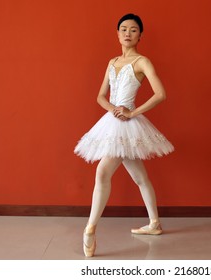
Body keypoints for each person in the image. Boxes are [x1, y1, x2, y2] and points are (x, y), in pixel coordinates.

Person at [74, 13, 174, 257]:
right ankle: (154, 223)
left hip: (128, 123)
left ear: (140, 34)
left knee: (102, 172)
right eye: (123, 29)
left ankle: (90, 229)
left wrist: (132, 113)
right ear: (117, 34)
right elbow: (100, 96)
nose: (128, 33)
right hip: (113, 120)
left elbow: (160, 94)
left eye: (133, 29)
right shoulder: (112, 62)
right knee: (140, 177)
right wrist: (114, 110)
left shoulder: (142, 62)